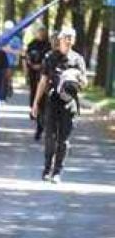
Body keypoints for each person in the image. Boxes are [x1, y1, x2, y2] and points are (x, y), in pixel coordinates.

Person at [31, 27, 86, 183]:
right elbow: (42, 82)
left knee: (63, 140)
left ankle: (57, 172)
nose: (68, 40)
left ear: (73, 41)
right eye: (65, 37)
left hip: (70, 104)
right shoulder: (50, 57)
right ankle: (47, 168)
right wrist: (35, 104)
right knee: (50, 137)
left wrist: (76, 79)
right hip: (53, 101)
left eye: (71, 38)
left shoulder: (78, 59)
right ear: (60, 39)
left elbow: (85, 82)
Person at [25, 25, 52, 141]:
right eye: (39, 32)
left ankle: (41, 127)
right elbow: (26, 56)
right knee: (34, 100)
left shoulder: (48, 45)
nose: (40, 34)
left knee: (43, 101)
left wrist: (41, 66)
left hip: (44, 77)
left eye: (42, 32)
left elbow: (49, 60)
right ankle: (38, 119)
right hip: (33, 75)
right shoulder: (32, 44)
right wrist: (30, 65)